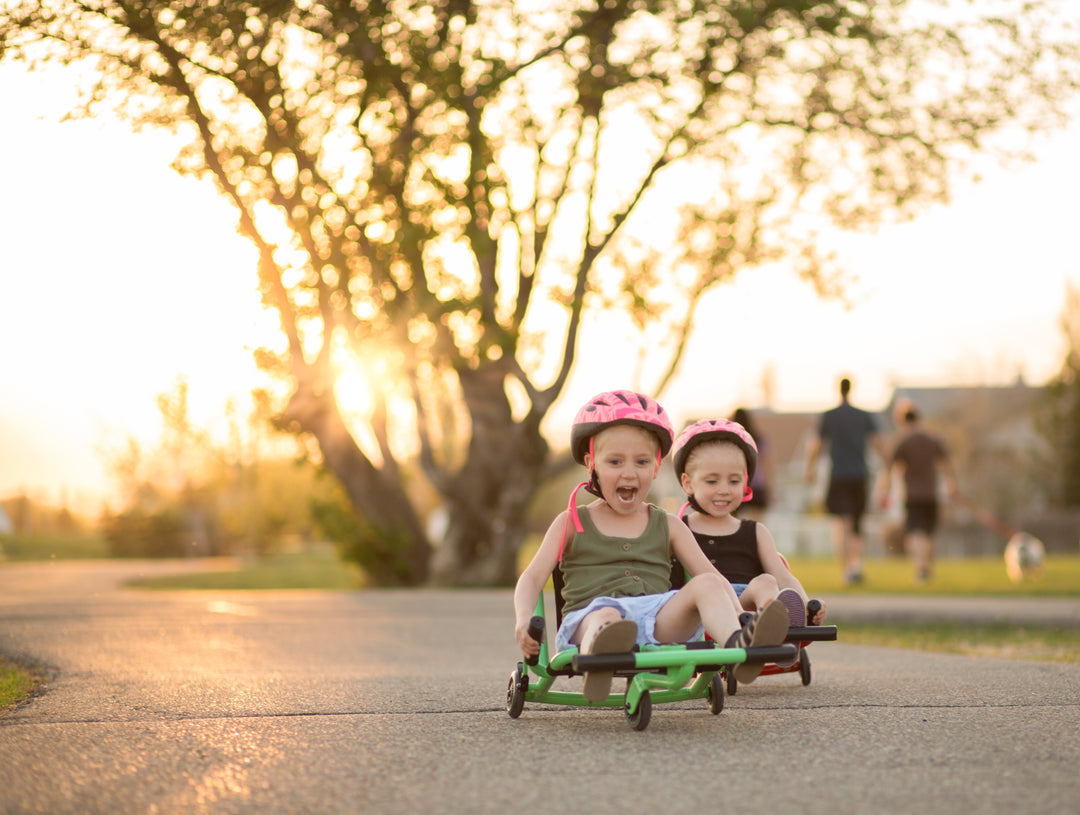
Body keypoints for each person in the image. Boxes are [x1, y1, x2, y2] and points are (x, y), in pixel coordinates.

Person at [513, 389, 790, 701]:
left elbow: (714, 581)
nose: (629, 472)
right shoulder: (571, 522)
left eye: (642, 462)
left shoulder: (668, 524)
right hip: (591, 618)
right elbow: (532, 577)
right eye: (615, 461)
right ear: (592, 465)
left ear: (656, 467)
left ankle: (740, 647)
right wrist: (524, 619)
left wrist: (742, 617)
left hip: (657, 619)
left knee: (709, 581)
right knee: (606, 616)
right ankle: (598, 665)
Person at [669, 419, 827, 638]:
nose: (724, 490)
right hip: (698, 611)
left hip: (746, 609)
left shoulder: (756, 532)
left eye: (734, 481)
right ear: (688, 484)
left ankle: (772, 627)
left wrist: (808, 604)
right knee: (705, 589)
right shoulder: (678, 529)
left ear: (745, 483)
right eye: (712, 481)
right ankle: (765, 630)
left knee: (766, 582)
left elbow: (783, 577)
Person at [804, 377, 887, 585]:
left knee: (840, 524)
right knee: (857, 524)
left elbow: (817, 444)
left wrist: (810, 468)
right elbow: (878, 442)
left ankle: (846, 571)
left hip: (838, 475)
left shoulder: (830, 416)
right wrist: (888, 463)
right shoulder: (863, 416)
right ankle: (856, 565)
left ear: (838, 390)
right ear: (852, 389)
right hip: (860, 474)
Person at [879, 405, 956, 583]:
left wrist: (883, 491)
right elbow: (947, 462)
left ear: (903, 422)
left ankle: (921, 568)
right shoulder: (932, 439)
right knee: (928, 532)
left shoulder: (903, 441)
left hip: (912, 494)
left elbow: (889, 468)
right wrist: (951, 483)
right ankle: (927, 567)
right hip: (931, 493)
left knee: (915, 532)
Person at [731, 407, 772, 522]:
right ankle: (757, 540)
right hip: (758, 484)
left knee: (733, 523)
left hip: (738, 483)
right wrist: (769, 487)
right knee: (758, 523)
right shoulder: (758, 439)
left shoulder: (733, 441)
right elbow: (767, 465)